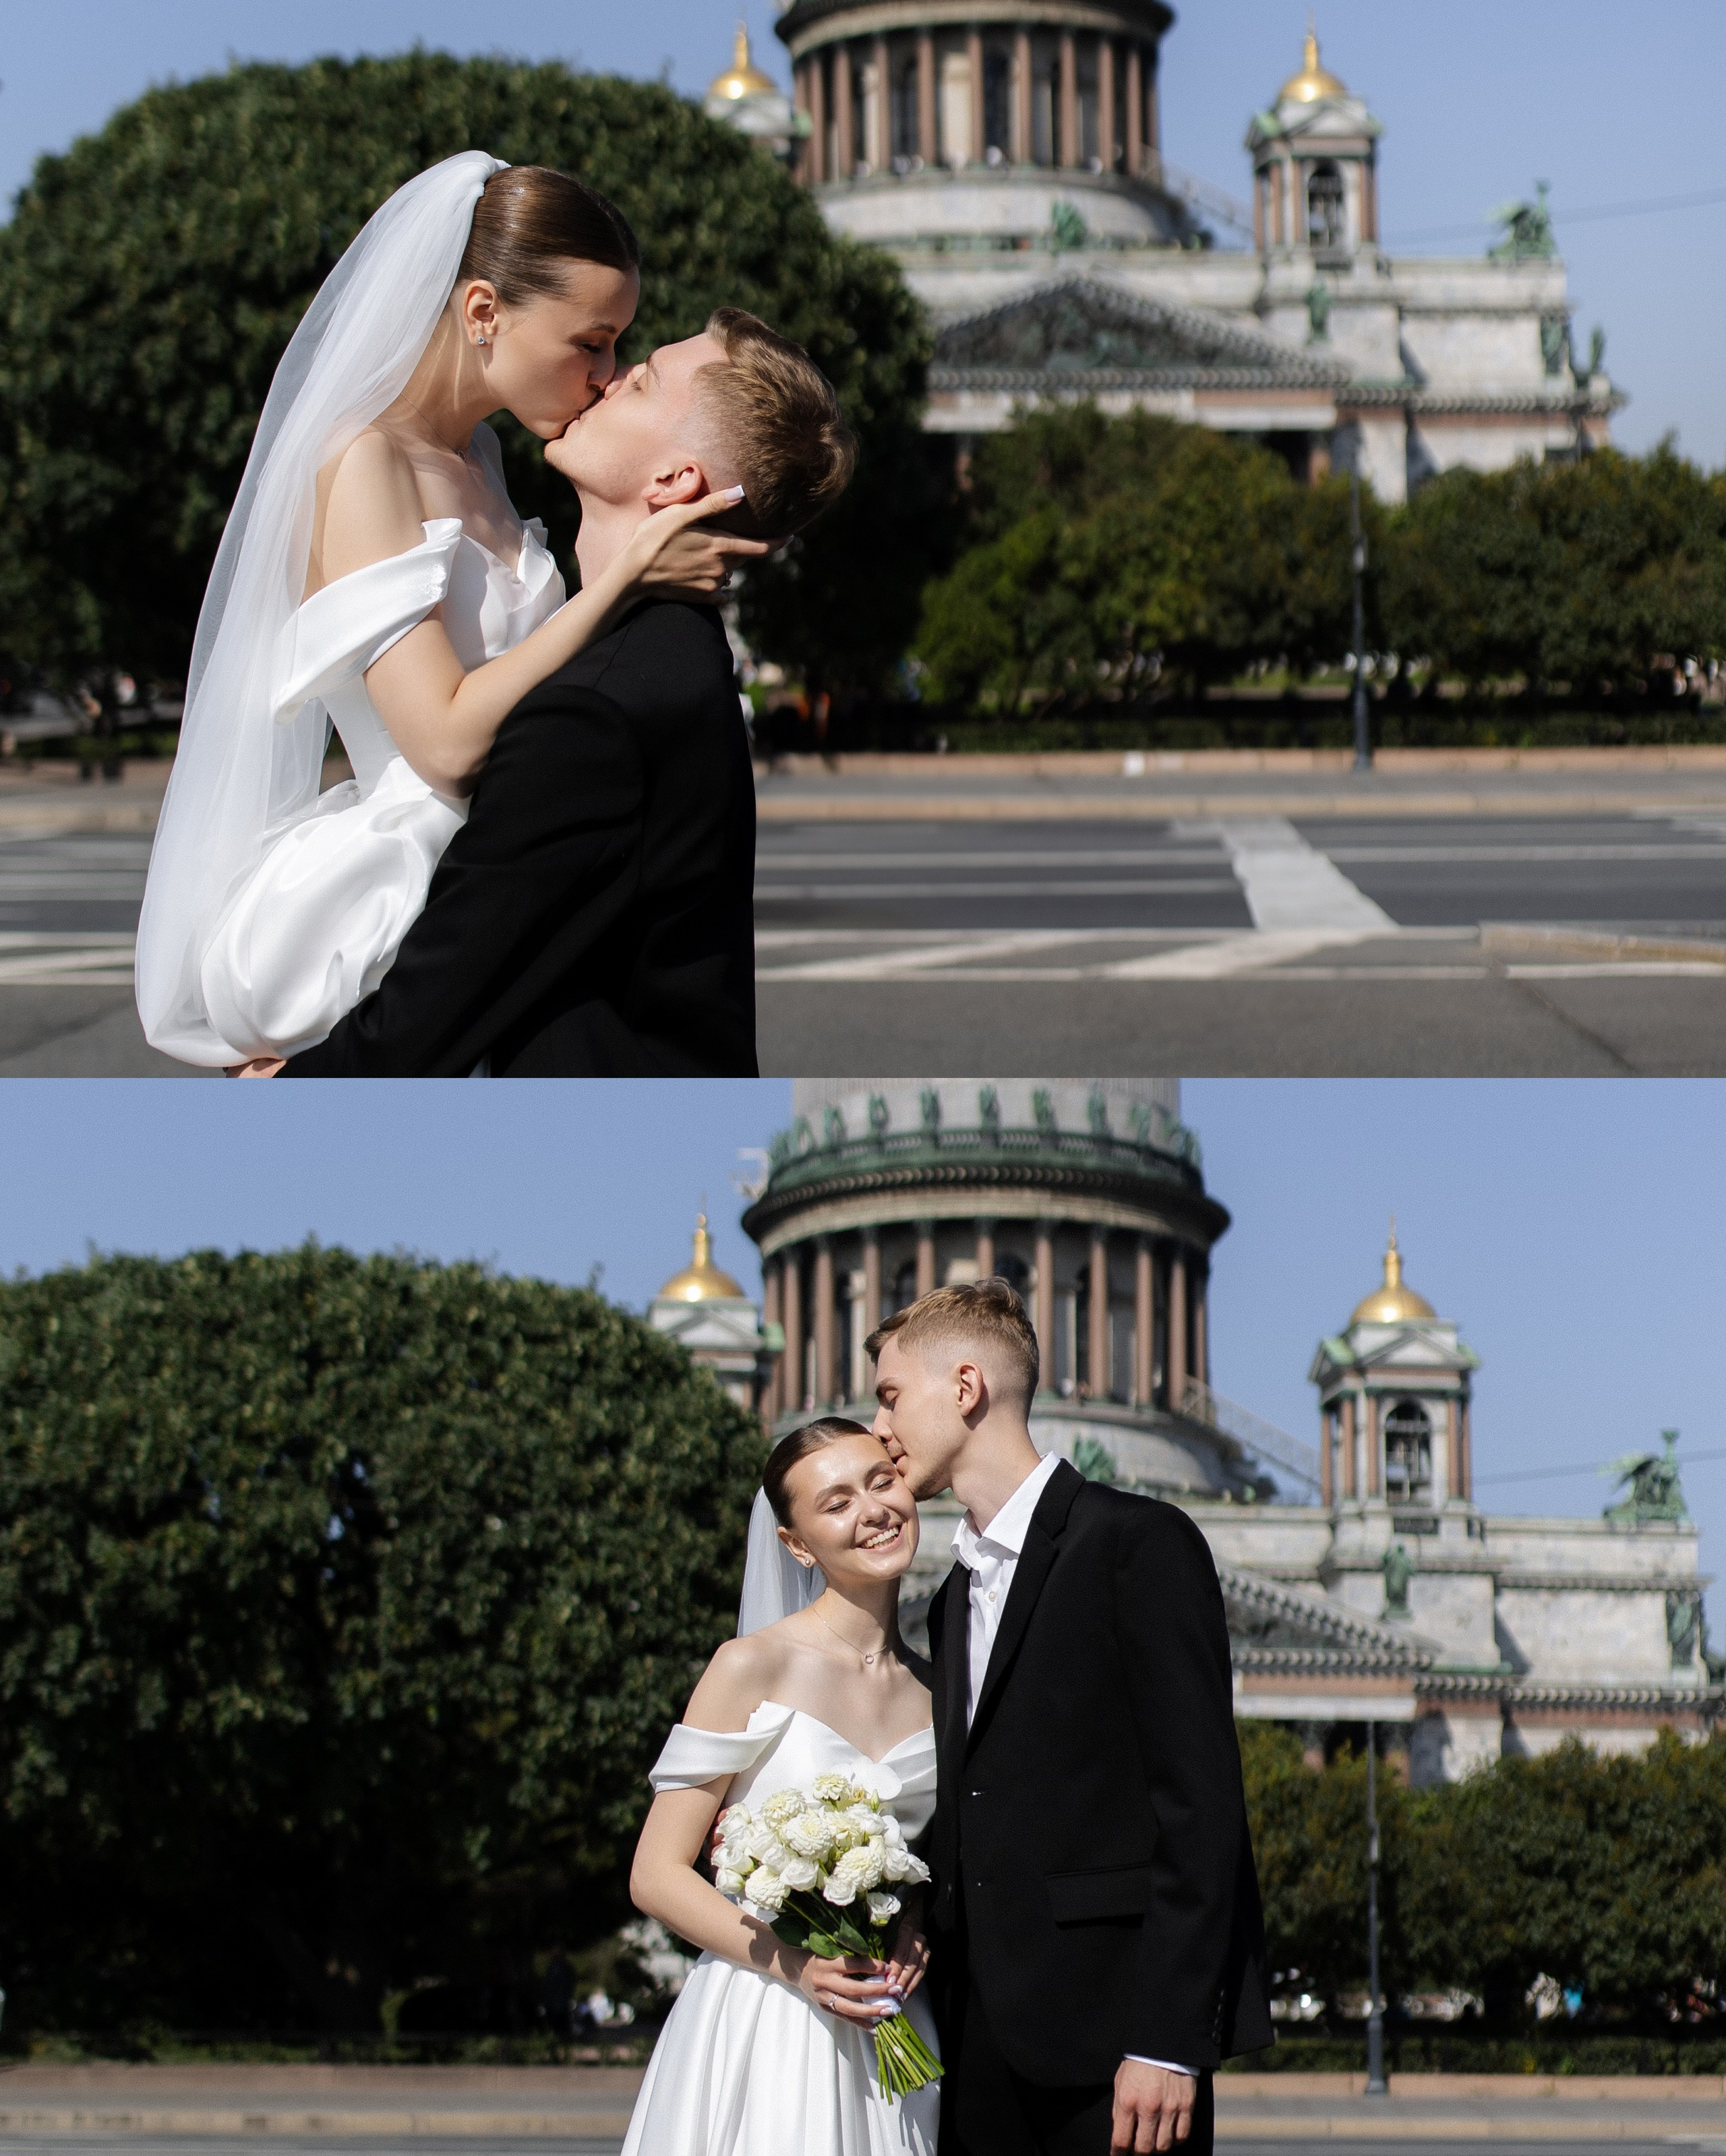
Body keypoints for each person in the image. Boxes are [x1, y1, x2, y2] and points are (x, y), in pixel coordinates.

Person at [136, 153, 766, 1069]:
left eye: (620, 345)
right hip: (392, 892)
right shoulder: (363, 463)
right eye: (591, 342)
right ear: (483, 314)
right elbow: (443, 744)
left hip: (509, 874)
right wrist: (623, 581)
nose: (606, 372)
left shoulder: (480, 454)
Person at [272, 307, 854, 1075]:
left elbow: (448, 988)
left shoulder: (592, 712)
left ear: (675, 480)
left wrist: (291, 1091)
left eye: (640, 382)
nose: (608, 379)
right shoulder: (671, 647)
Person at [868, 1280, 1272, 2156]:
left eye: (891, 1395)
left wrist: (1168, 2038)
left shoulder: (1138, 1542)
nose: (879, 1427)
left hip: (1116, 2056)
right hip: (975, 2047)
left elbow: (1201, 1811)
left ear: (966, 1386)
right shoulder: (949, 1597)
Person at [620, 1418, 940, 2156]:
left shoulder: (937, 1686)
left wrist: (914, 1922)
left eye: (880, 1480)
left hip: (890, 2022)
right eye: (834, 1504)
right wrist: (796, 1965)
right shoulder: (749, 1667)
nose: (872, 1511)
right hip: (768, 2015)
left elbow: (927, 1856)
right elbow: (655, 1874)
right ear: (797, 1545)